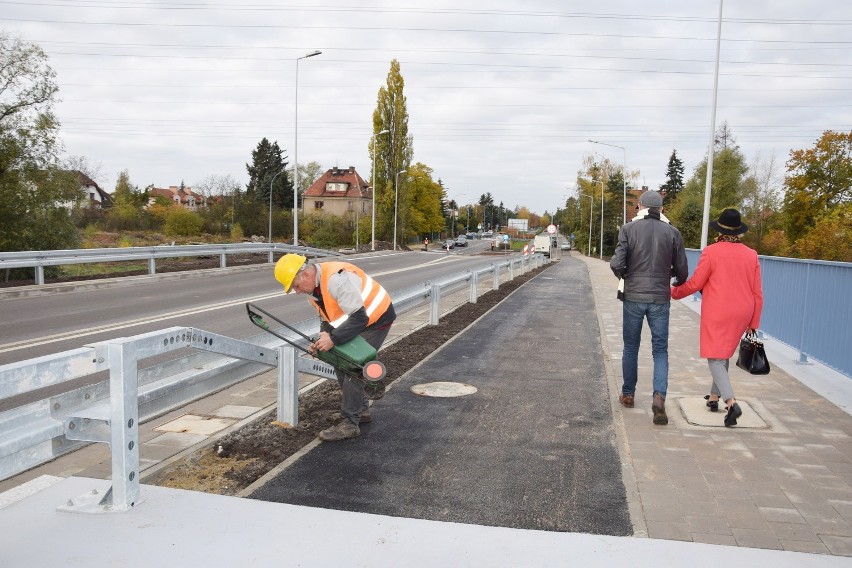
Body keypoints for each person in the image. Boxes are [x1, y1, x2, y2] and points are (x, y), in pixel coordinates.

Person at [274, 253, 397, 441]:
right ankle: (361, 411)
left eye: (296, 286)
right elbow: (328, 317)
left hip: (376, 319)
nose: (297, 291)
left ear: (305, 275)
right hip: (357, 321)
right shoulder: (315, 289)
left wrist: (333, 339)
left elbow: (359, 318)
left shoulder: (336, 280)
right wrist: (323, 337)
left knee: (352, 366)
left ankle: (350, 423)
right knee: (340, 361)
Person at [671, 208, 763, 427]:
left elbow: (696, 284)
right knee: (723, 355)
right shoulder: (751, 254)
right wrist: (754, 322)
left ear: (719, 230)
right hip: (743, 311)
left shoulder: (711, 252)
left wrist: (672, 292)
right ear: (739, 232)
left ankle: (731, 403)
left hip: (718, 310)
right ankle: (714, 398)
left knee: (715, 357)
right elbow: (758, 292)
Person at [610, 190, 689, 425]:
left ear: (640, 206)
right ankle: (659, 397)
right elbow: (682, 271)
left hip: (633, 296)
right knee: (660, 350)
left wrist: (628, 275)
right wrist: (673, 277)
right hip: (660, 299)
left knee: (631, 346)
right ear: (661, 209)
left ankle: (628, 394)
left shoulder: (628, 229)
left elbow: (616, 263)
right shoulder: (672, 232)